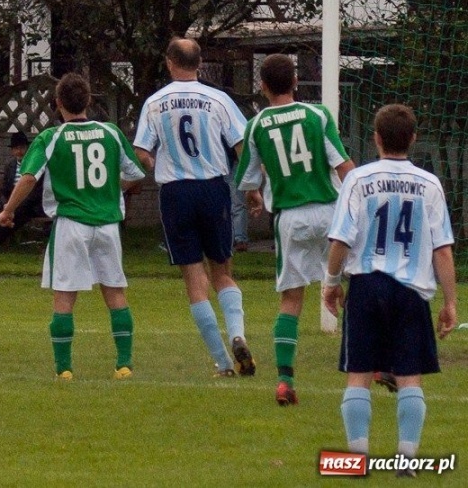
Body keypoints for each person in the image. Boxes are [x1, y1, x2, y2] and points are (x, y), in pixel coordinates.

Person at [322, 104, 458, 475]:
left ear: (376, 138)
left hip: (366, 286)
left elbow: (340, 240)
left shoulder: (358, 179)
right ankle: (406, 461)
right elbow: (442, 249)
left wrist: (331, 284)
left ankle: (356, 461)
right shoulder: (429, 184)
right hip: (412, 291)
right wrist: (450, 301)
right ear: (413, 139)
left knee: (359, 373)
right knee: (409, 374)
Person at [0, 72, 146, 380]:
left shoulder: (51, 137)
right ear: (89, 101)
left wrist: (8, 210)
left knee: (64, 296)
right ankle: (124, 364)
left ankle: (64, 369)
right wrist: (112, 189)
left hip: (71, 224)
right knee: (115, 293)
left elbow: (28, 177)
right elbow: (137, 172)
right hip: (107, 225)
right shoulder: (111, 132)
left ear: (57, 104)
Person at [235, 54, 355, 405]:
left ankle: (285, 381)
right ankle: (372, 363)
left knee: (291, 299)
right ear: (296, 82)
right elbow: (345, 166)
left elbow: (247, 181)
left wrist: (255, 196)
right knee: (351, 286)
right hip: (330, 213)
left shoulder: (257, 125)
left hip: (290, 219)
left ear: (263, 86)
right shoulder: (317, 116)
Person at [133, 37, 255, 378]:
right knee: (223, 270)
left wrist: (158, 161)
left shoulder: (155, 102)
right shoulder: (219, 99)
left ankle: (223, 363)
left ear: (170, 62)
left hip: (176, 193)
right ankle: (237, 334)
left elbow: (142, 151)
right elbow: (242, 146)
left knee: (193, 276)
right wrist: (250, 186)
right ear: (199, 63)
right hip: (214, 189)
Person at [0, 130, 47, 253]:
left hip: (30, 205)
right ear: (12, 151)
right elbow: (5, 188)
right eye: (16, 148)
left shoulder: (36, 164)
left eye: (22, 148)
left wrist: (16, 204)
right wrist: (8, 203)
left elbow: (37, 192)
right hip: (12, 202)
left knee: (12, 219)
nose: (19, 151)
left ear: (28, 149)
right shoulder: (10, 166)